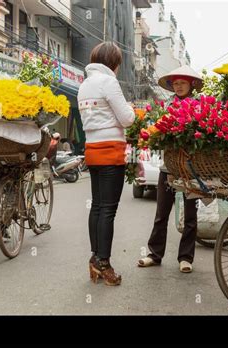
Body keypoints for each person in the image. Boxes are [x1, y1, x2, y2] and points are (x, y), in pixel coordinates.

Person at [78, 42, 135, 286]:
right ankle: (104, 263)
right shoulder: (109, 82)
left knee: (98, 207)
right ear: (113, 62)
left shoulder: (84, 85)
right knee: (108, 210)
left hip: (92, 151)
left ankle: (95, 258)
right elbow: (127, 119)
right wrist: (131, 110)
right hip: (111, 152)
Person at [137, 65, 203, 273]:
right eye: (176, 83)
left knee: (190, 215)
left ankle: (185, 258)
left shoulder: (199, 106)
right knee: (161, 214)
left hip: (191, 169)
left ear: (191, 84)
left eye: (183, 83)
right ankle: (154, 255)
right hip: (168, 168)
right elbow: (154, 128)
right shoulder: (166, 106)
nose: (179, 86)